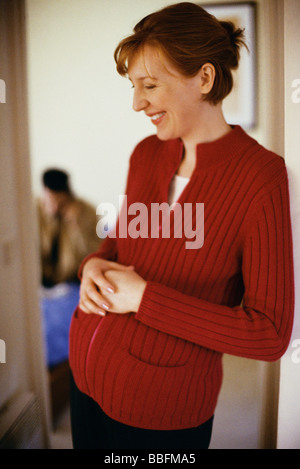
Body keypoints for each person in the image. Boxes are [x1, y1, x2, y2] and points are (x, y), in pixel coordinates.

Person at [68, 3, 294, 449]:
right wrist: (92, 266)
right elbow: (120, 244)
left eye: (150, 86)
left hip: (160, 413)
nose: (137, 103)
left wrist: (146, 299)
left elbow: (268, 333)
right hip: (85, 377)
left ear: (205, 79)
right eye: (134, 87)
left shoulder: (260, 177)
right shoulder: (146, 154)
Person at [38, 168, 100, 287]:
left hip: (73, 278)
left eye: (58, 201)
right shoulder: (35, 210)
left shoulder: (87, 211)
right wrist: (50, 219)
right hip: (42, 280)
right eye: (50, 200)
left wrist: (76, 227)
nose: (55, 207)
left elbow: (94, 253)